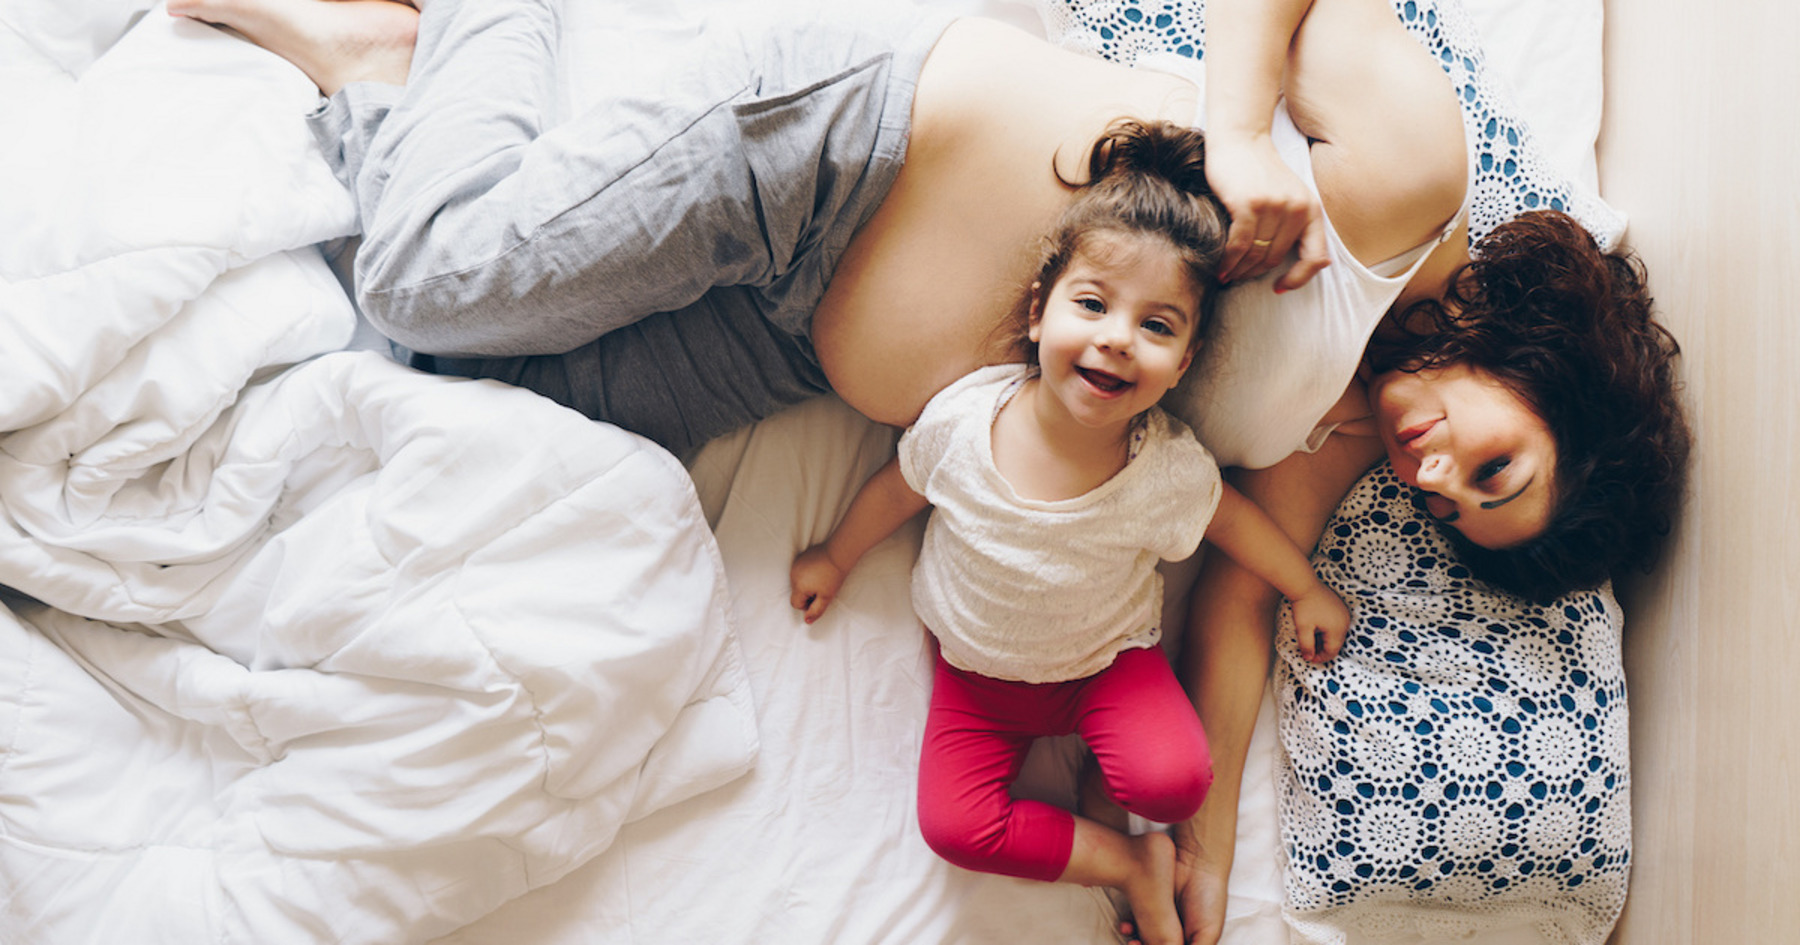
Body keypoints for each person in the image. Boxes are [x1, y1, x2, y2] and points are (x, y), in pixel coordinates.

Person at [166, 0, 1690, 940]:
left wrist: (1191, 867)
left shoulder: (1328, 445)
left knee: (433, 378)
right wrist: (1235, 128)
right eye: (1494, 464)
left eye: (1456, 510)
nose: (1435, 477)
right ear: (1539, 368)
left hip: (792, 341)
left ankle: (382, 77)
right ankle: (442, 27)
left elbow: (1227, 622)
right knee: (437, 280)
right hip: (840, 150)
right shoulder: (1408, 188)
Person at [786, 119, 1350, 945]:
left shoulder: (1161, 468)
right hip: (976, 677)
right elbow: (899, 488)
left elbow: (1232, 521)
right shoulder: (966, 421)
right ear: (1038, 316)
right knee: (956, 829)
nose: (1119, 338)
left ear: (1184, 363)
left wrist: (1304, 587)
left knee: (1176, 785)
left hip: (1104, 666)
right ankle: (1128, 863)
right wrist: (835, 556)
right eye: (1092, 305)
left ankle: (1131, 814)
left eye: (1158, 327)